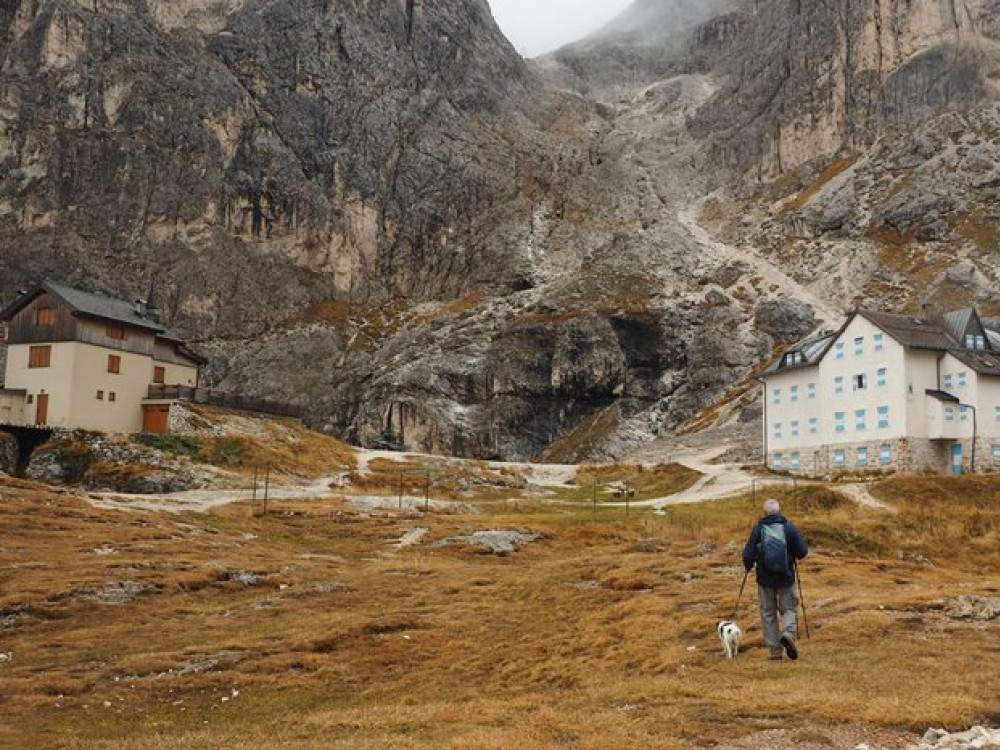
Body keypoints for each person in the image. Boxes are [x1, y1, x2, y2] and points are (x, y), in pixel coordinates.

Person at [742, 498, 808, 661]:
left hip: (765, 579)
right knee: (789, 609)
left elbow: (748, 554)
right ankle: (788, 634)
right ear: (779, 511)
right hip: (785, 577)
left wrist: (748, 566)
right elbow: (802, 552)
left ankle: (775, 652)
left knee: (768, 612)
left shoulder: (758, 529)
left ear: (764, 512)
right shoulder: (789, 528)